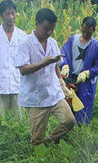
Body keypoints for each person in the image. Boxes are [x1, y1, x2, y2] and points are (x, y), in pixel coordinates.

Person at [17, 9, 76, 145]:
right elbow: (23, 70)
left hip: (54, 93)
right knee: (37, 139)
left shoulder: (53, 43)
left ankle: (49, 142)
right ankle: (38, 156)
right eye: (46, 29)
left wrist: (62, 84)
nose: (49, 32)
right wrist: (43, 63)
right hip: (36, 97)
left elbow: (55, 65)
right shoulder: (25, 44)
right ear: (37, 24)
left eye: (52, 29)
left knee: (69, 120)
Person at [59, 17, 98, 125]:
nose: (85, 33)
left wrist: (88, 73)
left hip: (86, 82)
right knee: (68, 105)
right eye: (84, 30)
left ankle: (80, 131)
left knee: (83, 109)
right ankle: (66, 131)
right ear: (82, 27)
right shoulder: (72, 40)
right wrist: (64, 65)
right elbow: (63, 54)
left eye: (88, 31)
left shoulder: (96, 46)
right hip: (71, 78)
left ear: (93, 30)